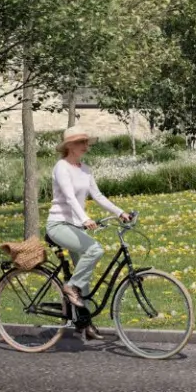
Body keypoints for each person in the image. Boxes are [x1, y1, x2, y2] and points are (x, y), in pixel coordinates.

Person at [46, 128, 129, 326]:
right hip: (59, 225)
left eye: (86, 142)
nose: (85, 146)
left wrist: (120, 212)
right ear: (69, 146)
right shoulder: (61, 167)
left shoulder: (85, 169)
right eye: (81, 142)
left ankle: (84, 324)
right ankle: (71, 287)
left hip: (76, 227)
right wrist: (85, 218)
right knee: (95, 250)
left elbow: (98, 196)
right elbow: (69, 197)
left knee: (84, 278)